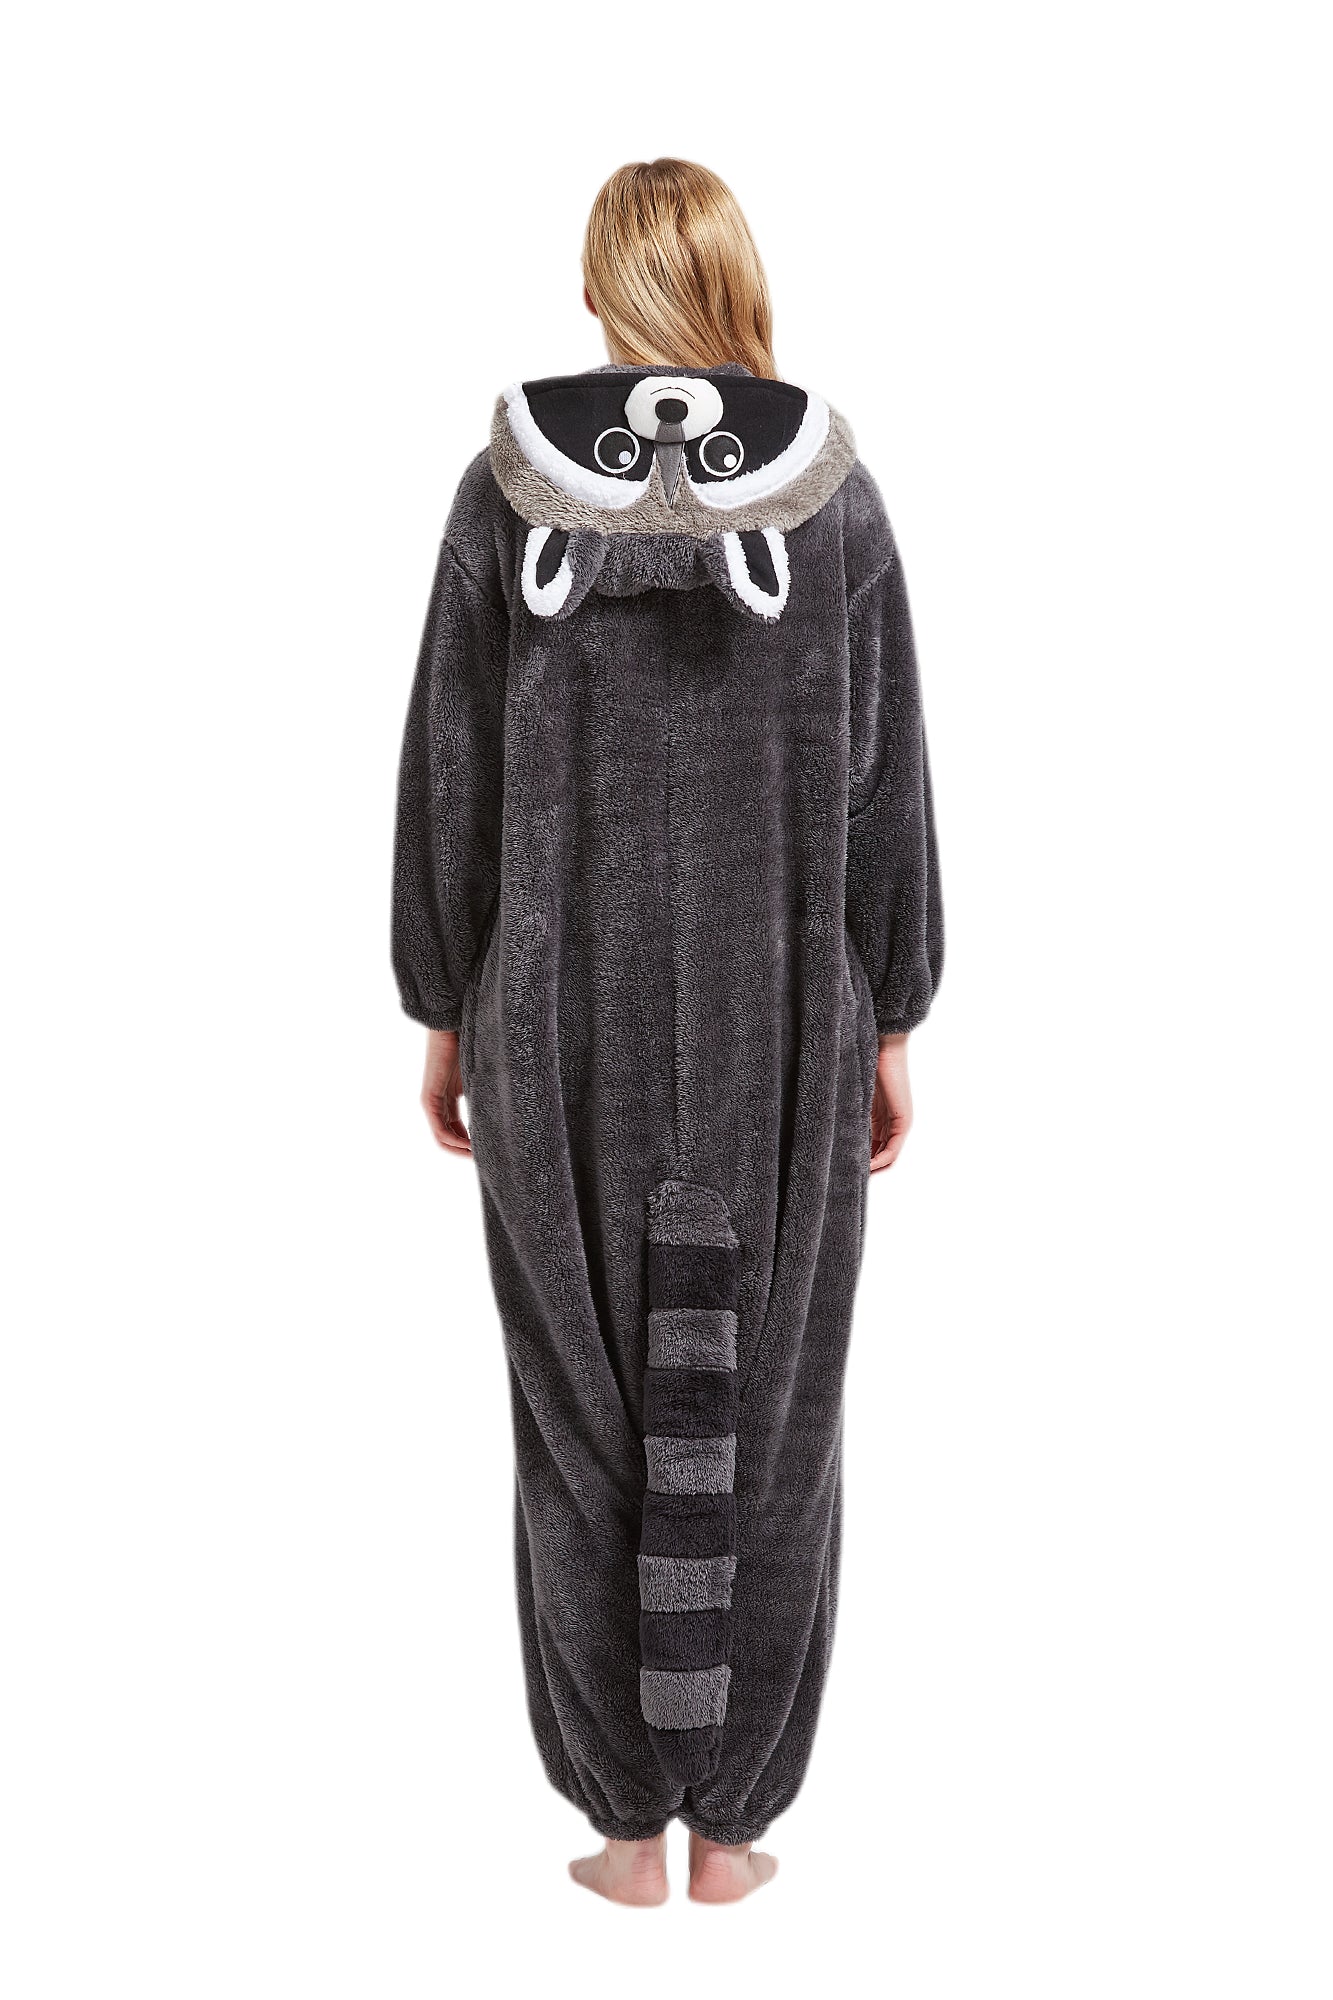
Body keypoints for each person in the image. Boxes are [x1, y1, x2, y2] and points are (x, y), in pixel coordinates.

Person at [392, 158, 943, 1905]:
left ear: (598, 286)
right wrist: (891, 1017)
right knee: (772, 1405)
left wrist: (442, 1007)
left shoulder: (504, 494)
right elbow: (880, 782)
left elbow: (451, 775)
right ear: (732, 278)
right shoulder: (834, 502)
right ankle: (737, 1823)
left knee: (579, 1414)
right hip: (782, 1010)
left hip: (557, 1016)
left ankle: (624, 1827)